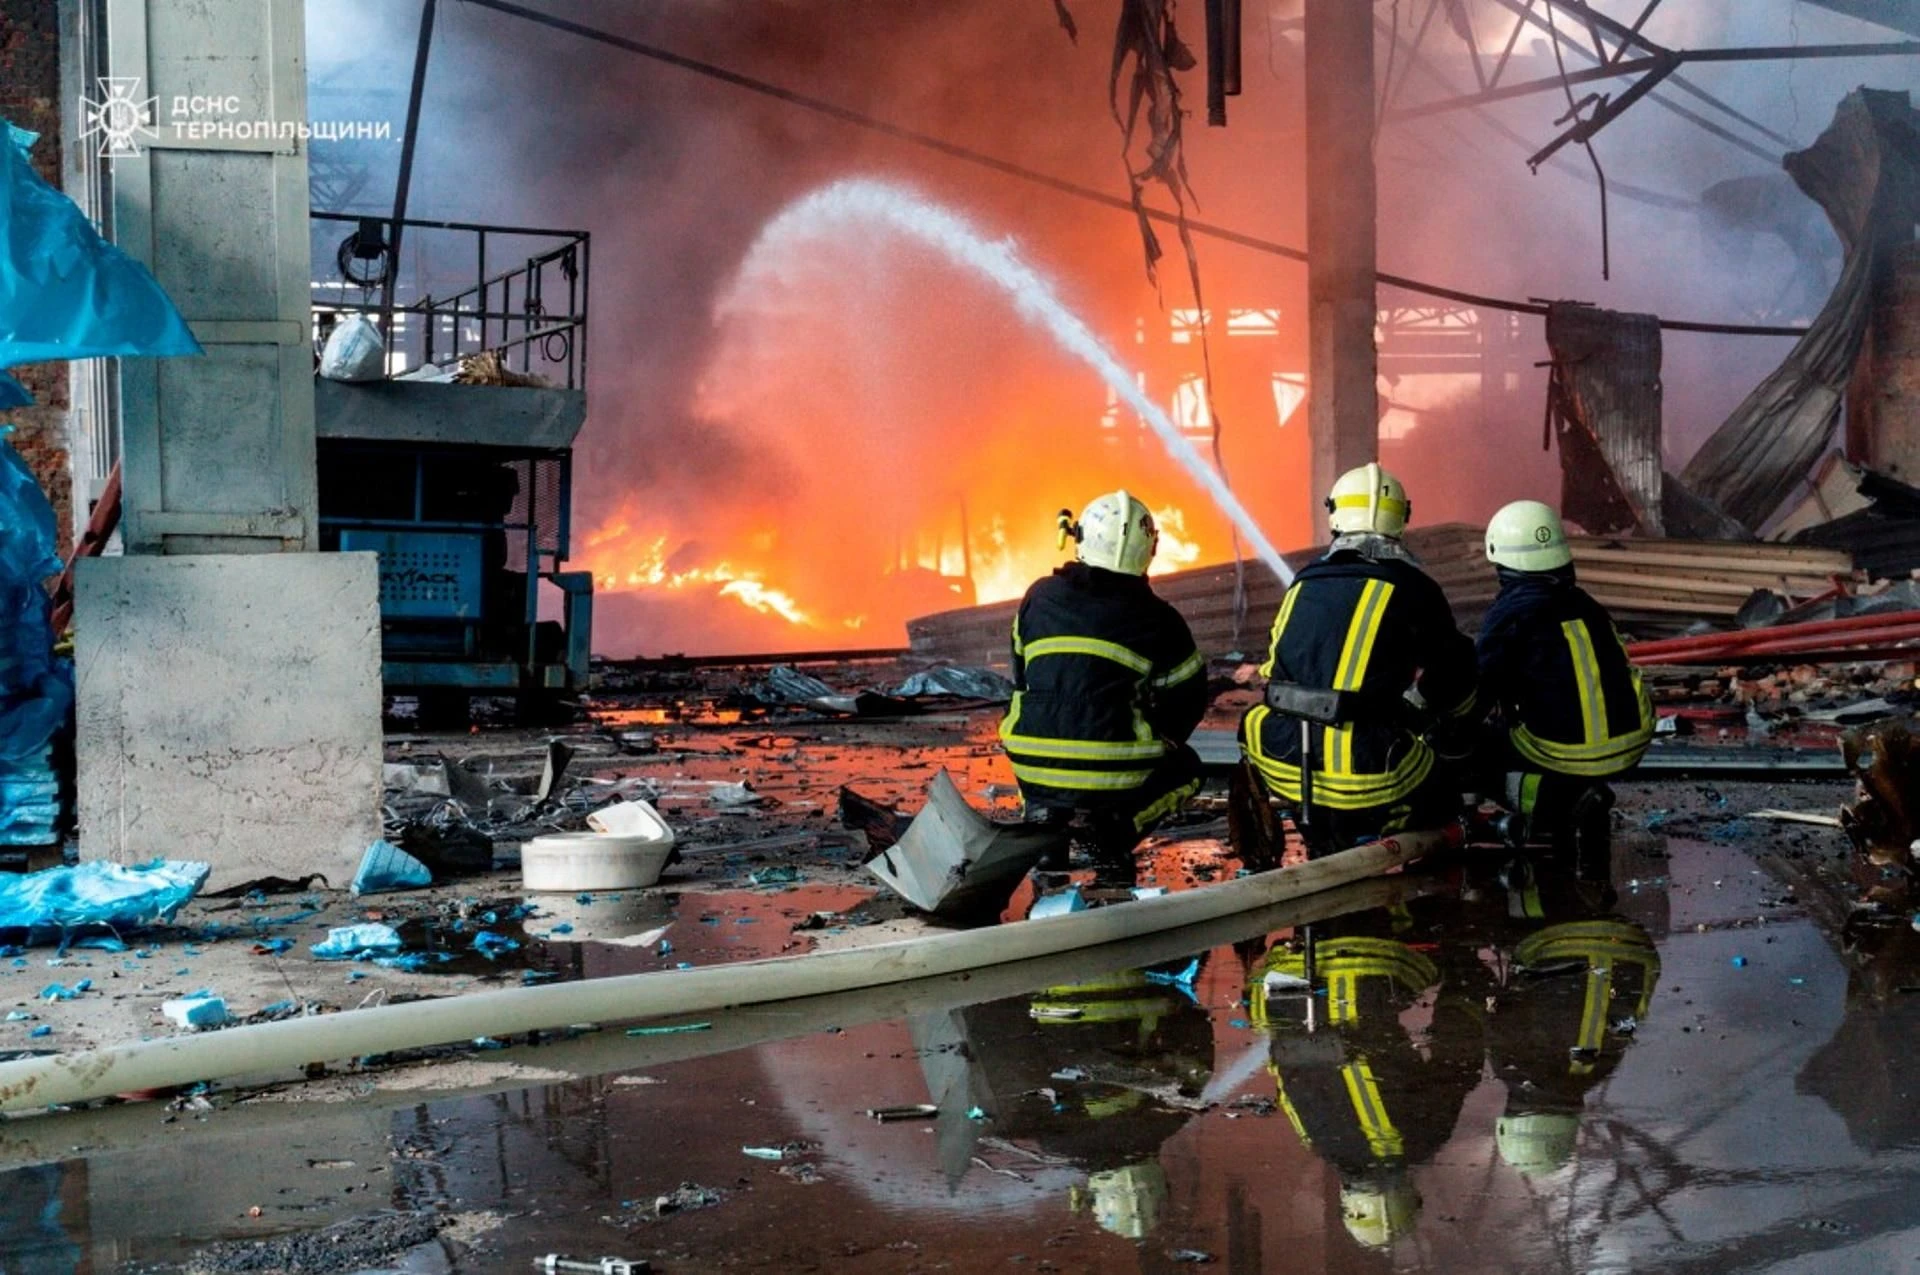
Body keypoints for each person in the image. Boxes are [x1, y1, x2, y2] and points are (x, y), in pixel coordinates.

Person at [1240, 463, 1477, 855]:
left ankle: (1311, 827)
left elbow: (1272, 674)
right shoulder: (1415, 588)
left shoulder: (1302, 583)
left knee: (1256, 722)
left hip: (1289, 766)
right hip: (1370, 769)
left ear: (1334, 514)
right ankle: (1393, 834)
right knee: (1445, 786)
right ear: (1402, 517)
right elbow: (1455, 671)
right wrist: (1422, 714)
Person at [999, 491, 1208, 867]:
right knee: (1189, 769)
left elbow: (1022, 676)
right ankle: (1113, 833)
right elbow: (1190, 697)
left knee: (1041, 725)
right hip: (1117, 772)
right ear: (1149, 549)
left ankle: (1043, 819)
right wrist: (1157, 737)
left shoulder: (1037, 597)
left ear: (1081, 539)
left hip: (1031, 762)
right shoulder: (1160, 619)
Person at [1476, 500, 1654, 861]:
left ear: (1501, 557)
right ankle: (1577, 787)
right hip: (1631, 743)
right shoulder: (1587, 605)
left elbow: (1475, 689)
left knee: (1468, 751)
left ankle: (1559, 803)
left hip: (1566, 753)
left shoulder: (1511, 613)